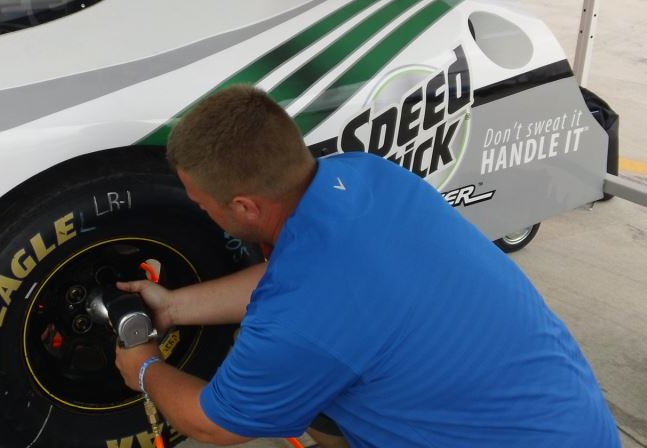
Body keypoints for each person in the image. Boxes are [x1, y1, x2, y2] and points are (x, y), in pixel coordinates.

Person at [114, 85, 620, 448]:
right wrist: (174, 308)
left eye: (203, 203)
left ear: (244, 206)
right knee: (319, 396)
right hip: (572, 422)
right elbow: (307, 286)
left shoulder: (303, 314)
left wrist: (144, 368)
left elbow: (212, 425)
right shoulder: (365, 176)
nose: (200, 210)